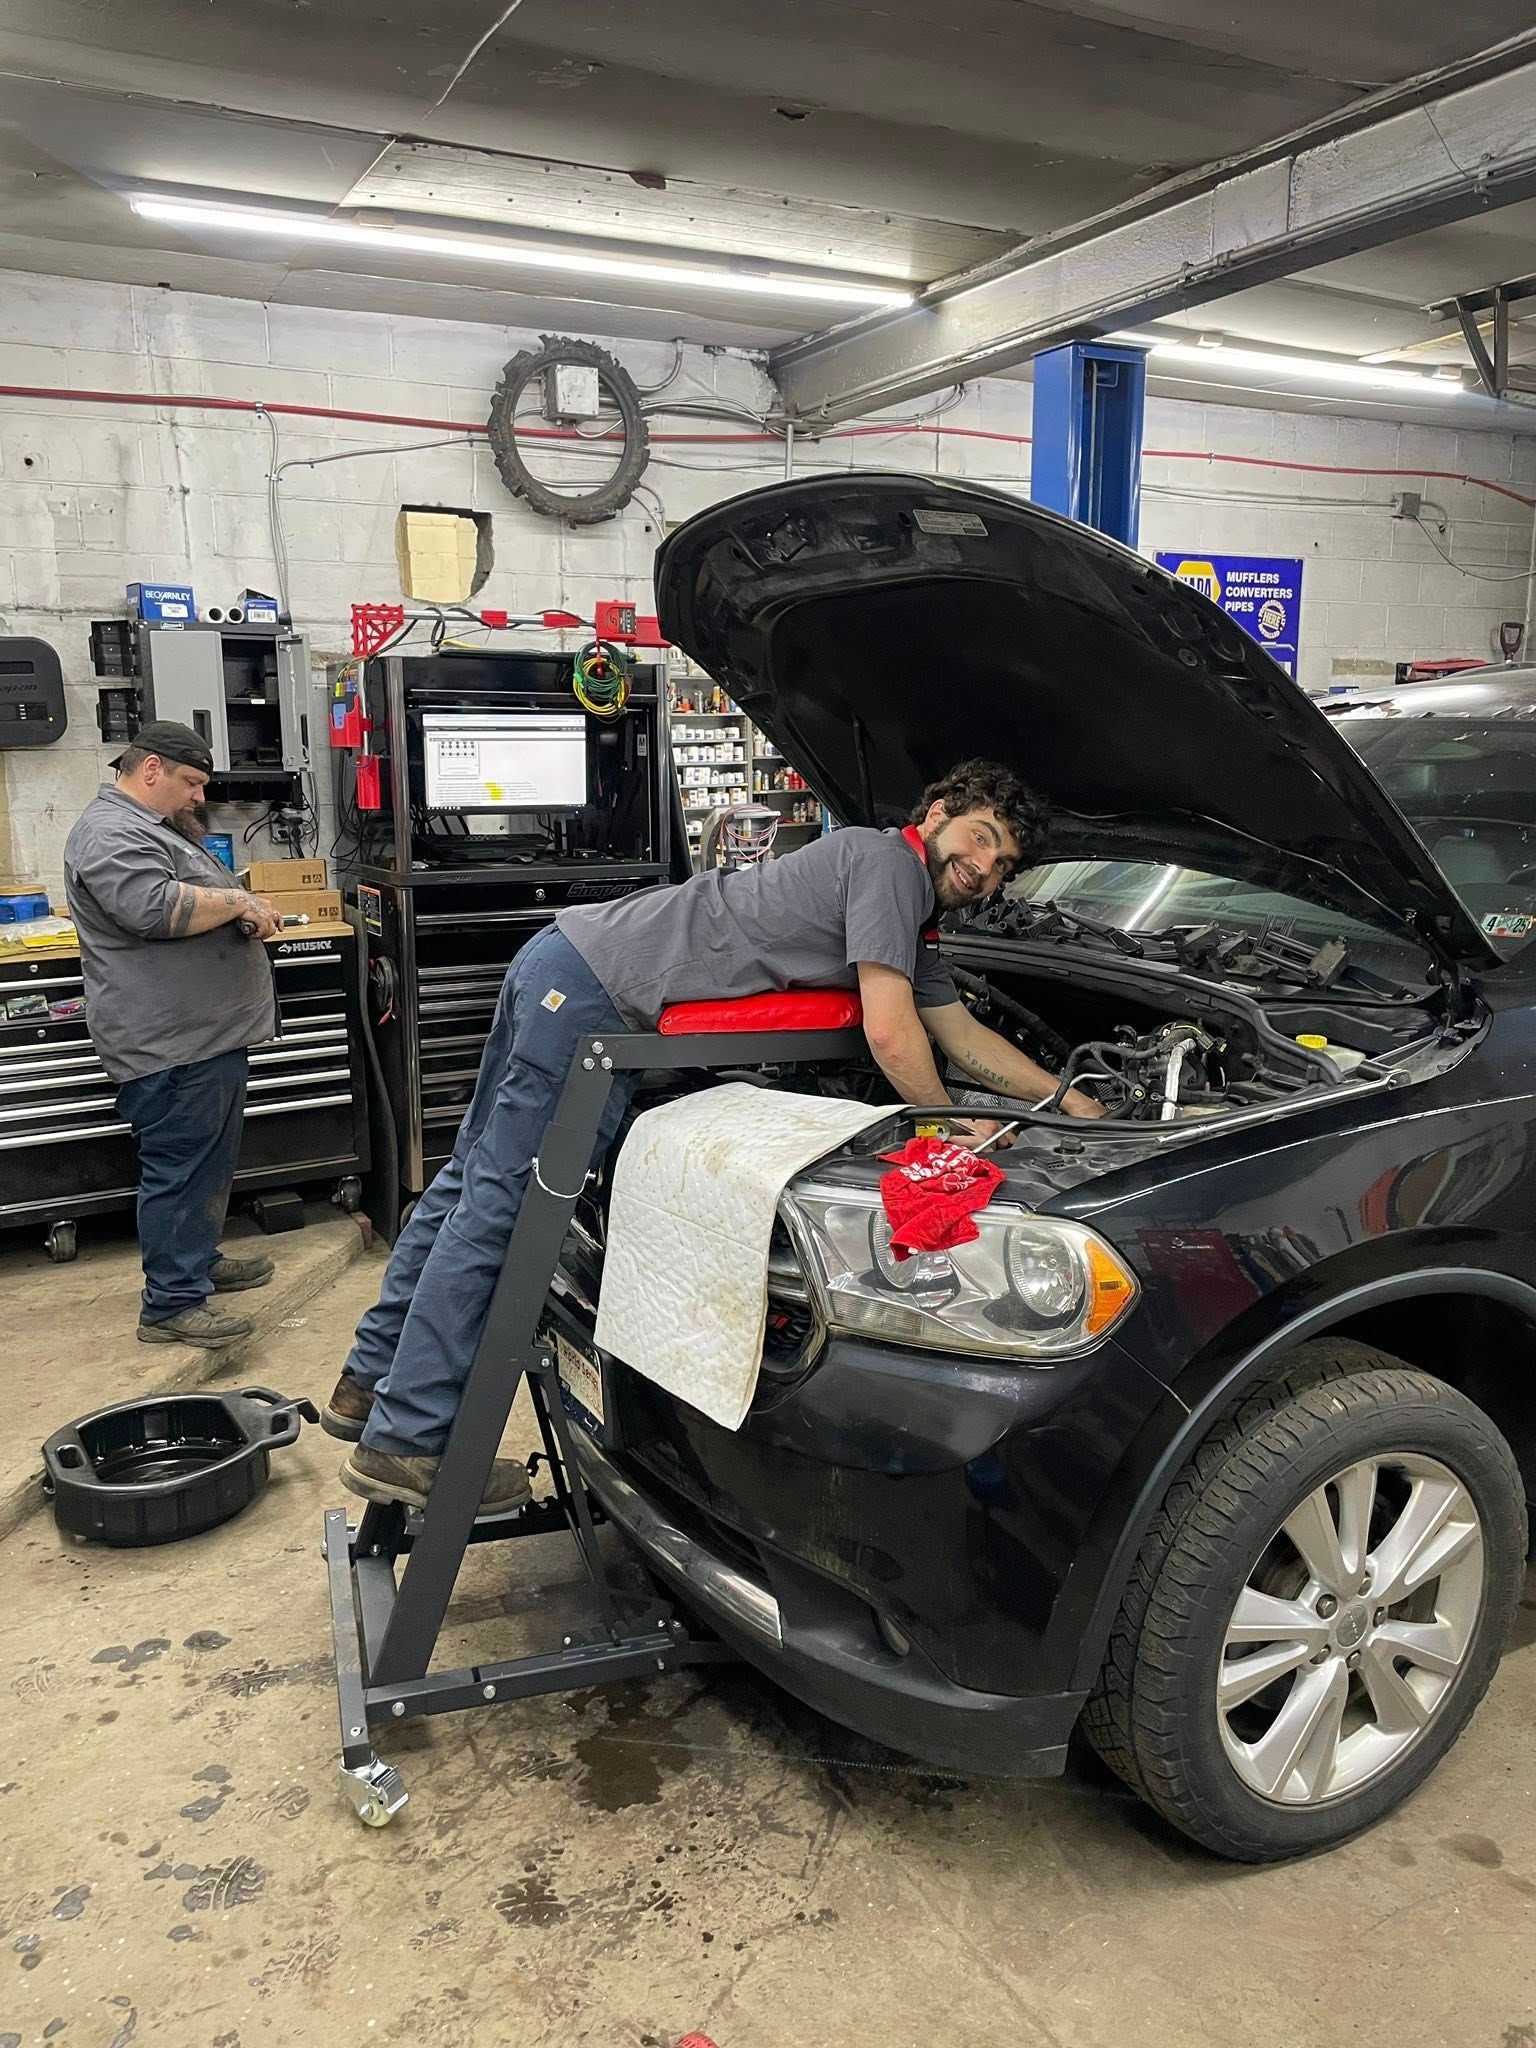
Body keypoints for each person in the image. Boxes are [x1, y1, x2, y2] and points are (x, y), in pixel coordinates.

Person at [326, 757, 1102, 1513]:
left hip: (567, 961)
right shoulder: (887, 866)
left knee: (468, 1182)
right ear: (936, 817)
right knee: (505, 1207)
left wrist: (1063, 1097)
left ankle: (369, 1385)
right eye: (981, 836)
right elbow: (894, 1036)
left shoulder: (912, 915)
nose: (985, 867)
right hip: (597, 992)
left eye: (1003, 863)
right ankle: (410, 1437)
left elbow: (957, 1033)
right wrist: (940, 1132)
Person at [63, 721, 285, 1346]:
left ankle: (197, 1261)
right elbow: (150, 909)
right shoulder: (110, 831)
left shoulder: (155, 831)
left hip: (204, 1036)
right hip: (169, 1043)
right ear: (151, 769)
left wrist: (239, 906)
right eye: (191, 782)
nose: (198, 797)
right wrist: (241, 906)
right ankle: (171, 1306)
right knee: (179, 1169)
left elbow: (191, 895)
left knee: (206, 1163)